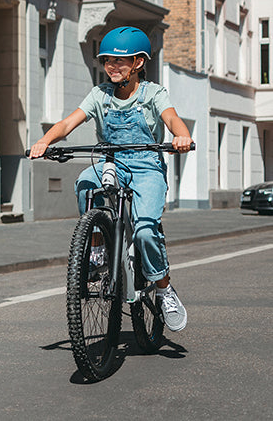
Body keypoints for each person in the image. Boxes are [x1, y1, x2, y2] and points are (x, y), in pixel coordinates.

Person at [28, 26, 194, 332]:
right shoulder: (99, 95)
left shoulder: (153, 93)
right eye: (107, 60)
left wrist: (182, 136)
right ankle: (97, 248)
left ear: (138, 63)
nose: (112, 66)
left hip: (146, 167)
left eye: (120, 61)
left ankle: (163, 289)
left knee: (145, 231)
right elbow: (67, 123)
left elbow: (171, 118)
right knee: (85, 183)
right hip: (112, 162)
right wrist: (44, 142)